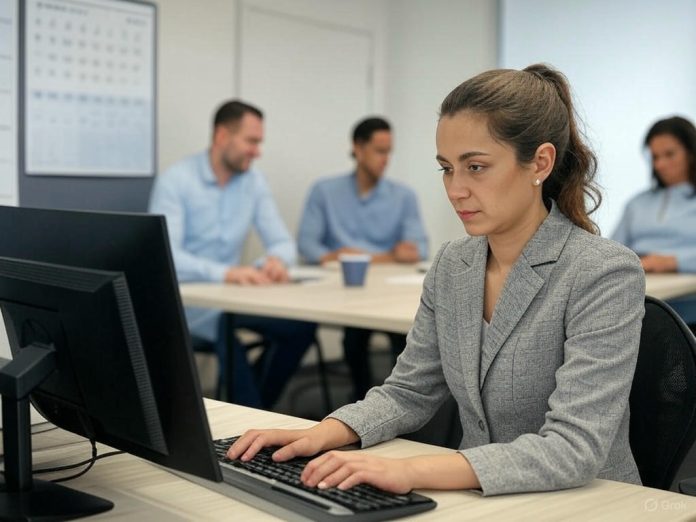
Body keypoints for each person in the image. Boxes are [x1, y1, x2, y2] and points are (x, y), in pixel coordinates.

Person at [227, 64, 646, 497]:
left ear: (540, 162)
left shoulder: (602, 271)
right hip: (483, 499)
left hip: (586, 503)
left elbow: (572, 449)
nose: (455, 189)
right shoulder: (453, 264)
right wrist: (324, 433)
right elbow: (409, 391)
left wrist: (412, 471)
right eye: (446, 168)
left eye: (476, 167)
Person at [149, 100, 316, 409]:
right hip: (187, 300)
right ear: (222, 136)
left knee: (301, 326)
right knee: (227, 333)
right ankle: (250, 424)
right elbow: (166, 256)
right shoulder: (176, 181)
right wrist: (226, 273)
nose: (257, 151)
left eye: (259, 142)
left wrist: (274, 261)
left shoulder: (254, 182)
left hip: (233, 296)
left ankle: (257, 410)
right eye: (251, 141)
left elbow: (282, 242)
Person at [297, 117, 429, 400]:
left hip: (389, 293)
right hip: (344, 292)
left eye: (389, 152)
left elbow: (417, 250)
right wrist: (388, 255)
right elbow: (307, 245)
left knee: (405, 337)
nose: (386, 159)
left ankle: (403, 400)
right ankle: (361, 399)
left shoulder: (403, 196)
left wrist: (348, 256)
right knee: (355, 335)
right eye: (380, 151)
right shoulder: (325, 191)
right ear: (358, 148)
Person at [612, 116, 696, 330]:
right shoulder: (637, 203)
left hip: (685, 298)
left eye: (669, 154)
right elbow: (612, 251)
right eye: (655, 156)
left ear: (691, 152)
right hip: (640, 291)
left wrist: (672, 262)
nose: (660, 164)